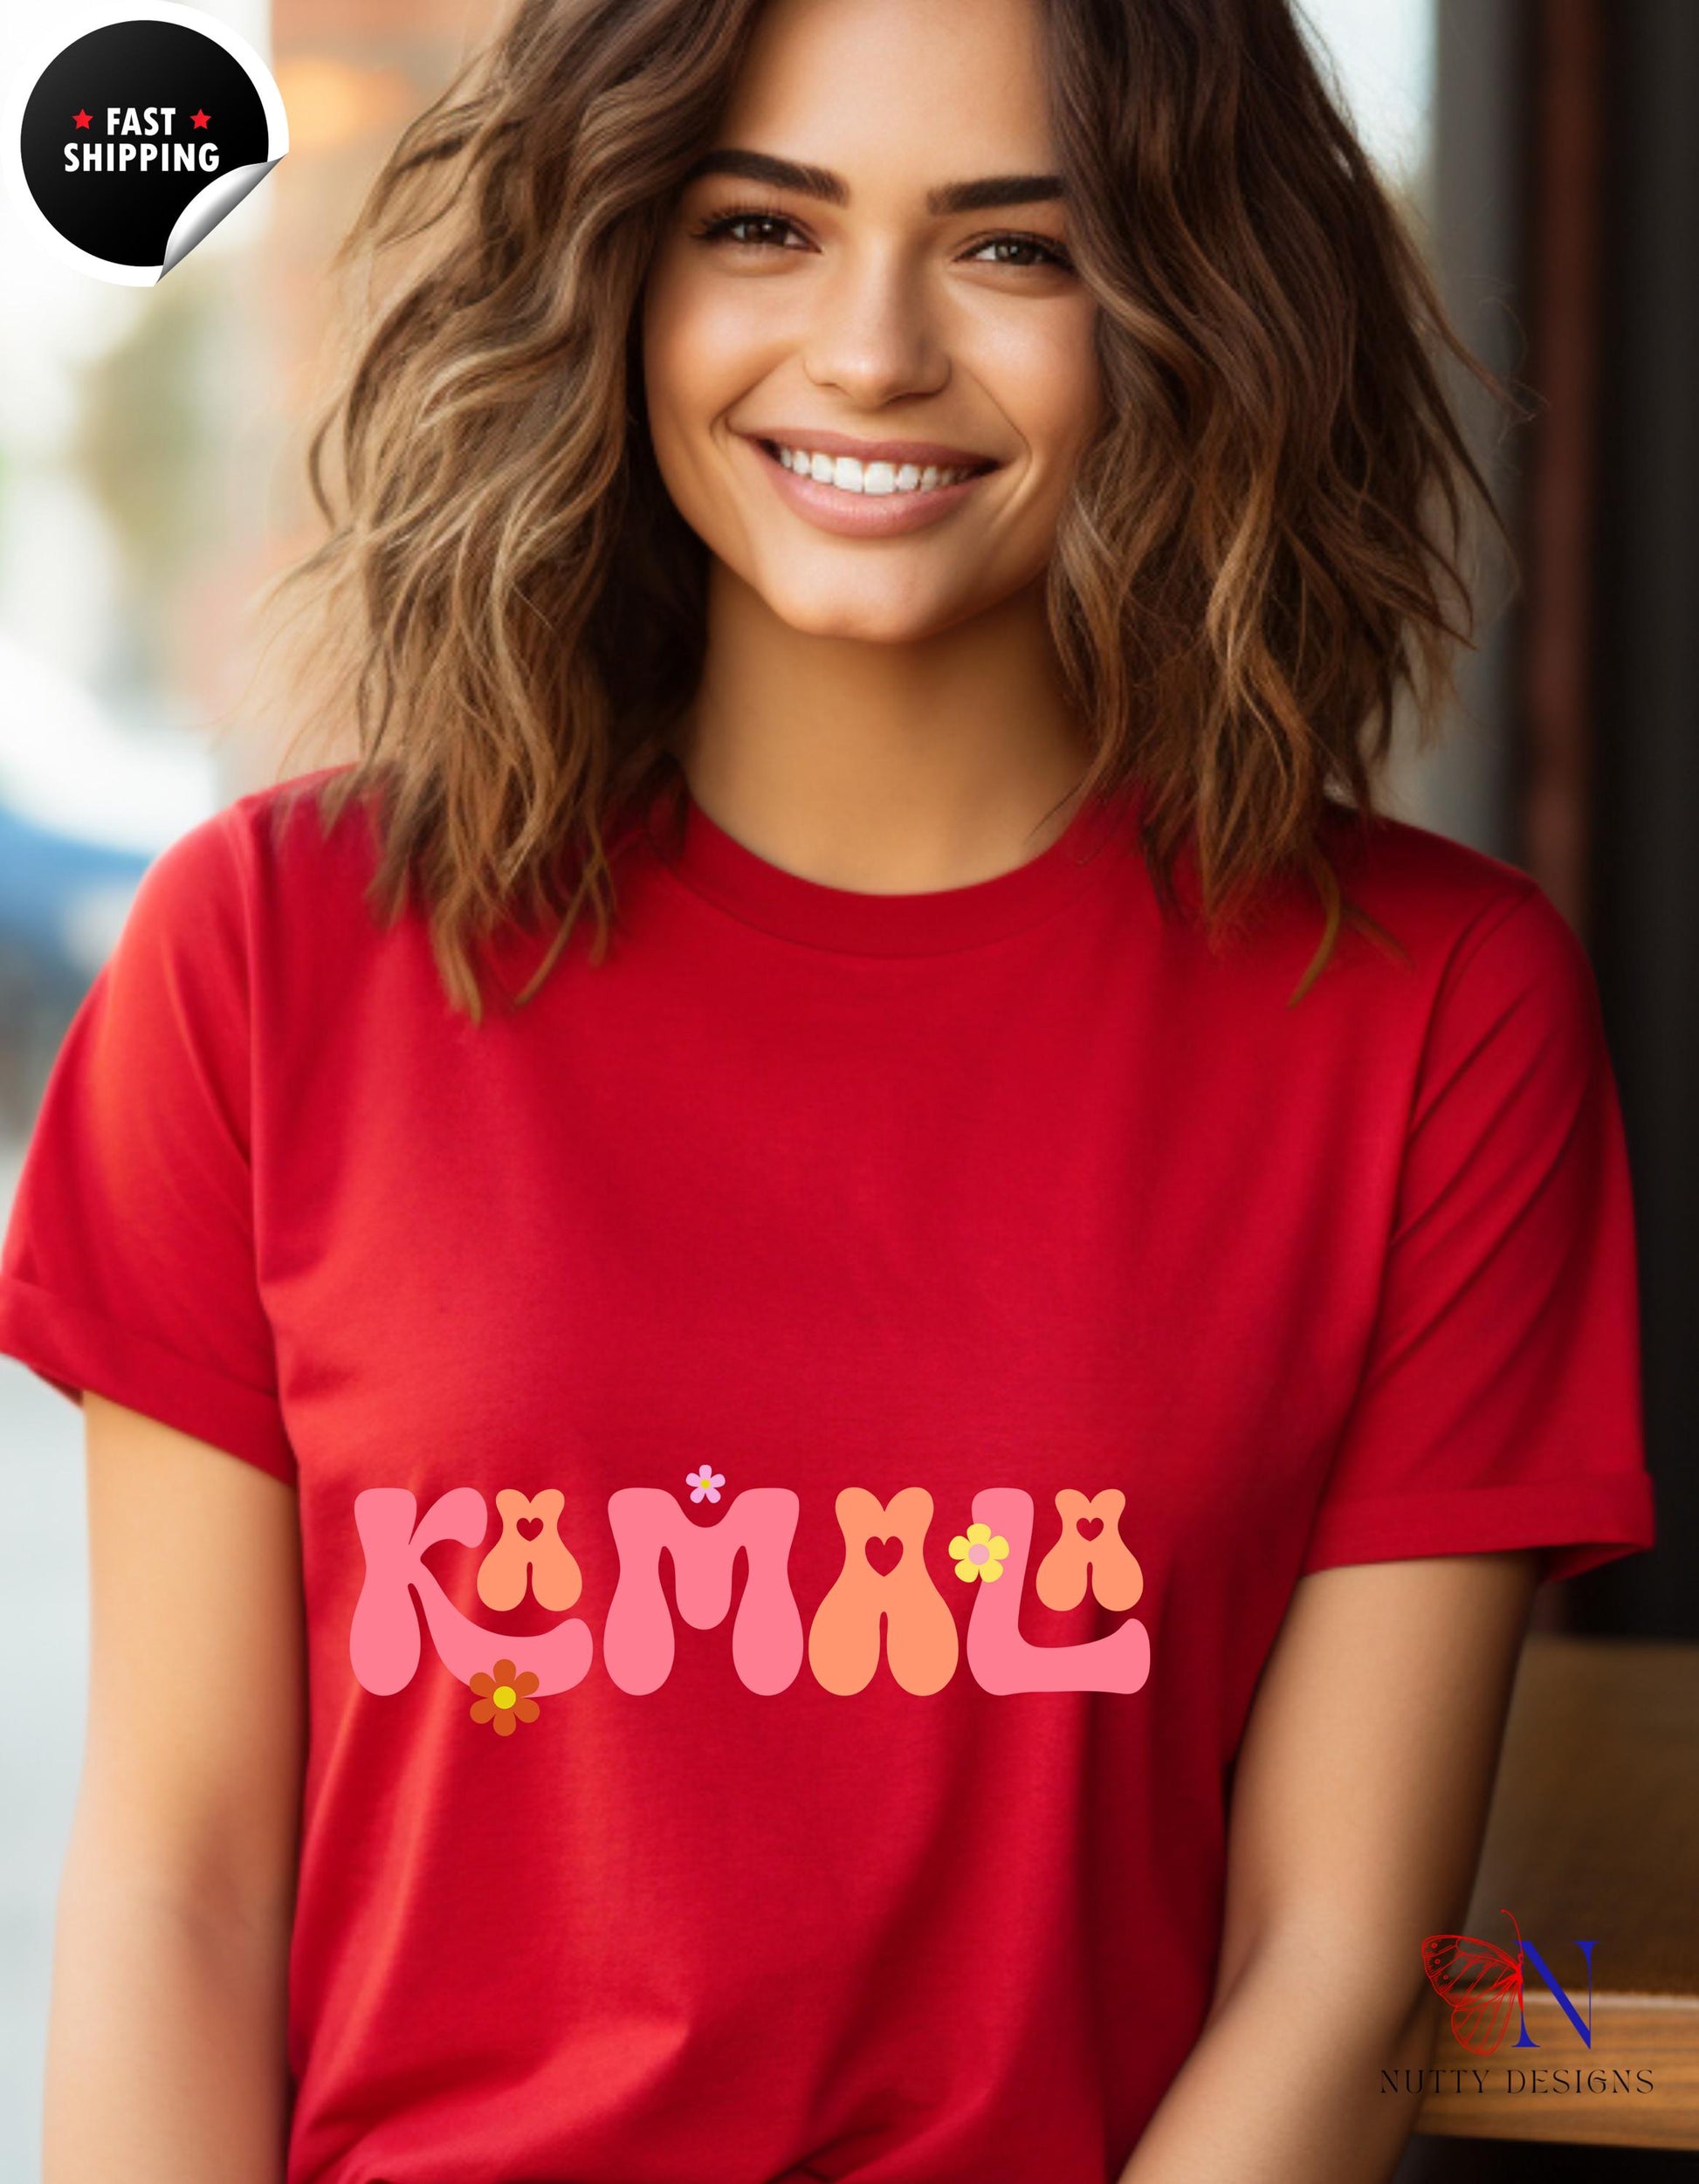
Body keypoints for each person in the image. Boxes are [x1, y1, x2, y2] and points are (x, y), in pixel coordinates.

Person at [0, 0, 1658, 2176]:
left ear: (1196, 310)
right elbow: (177, 1897)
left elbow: (1333, 1972)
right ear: (614, 269)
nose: (870, 350)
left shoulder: (1432, 1012)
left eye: (1017, 249)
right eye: (761, 226)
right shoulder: (269, 959)